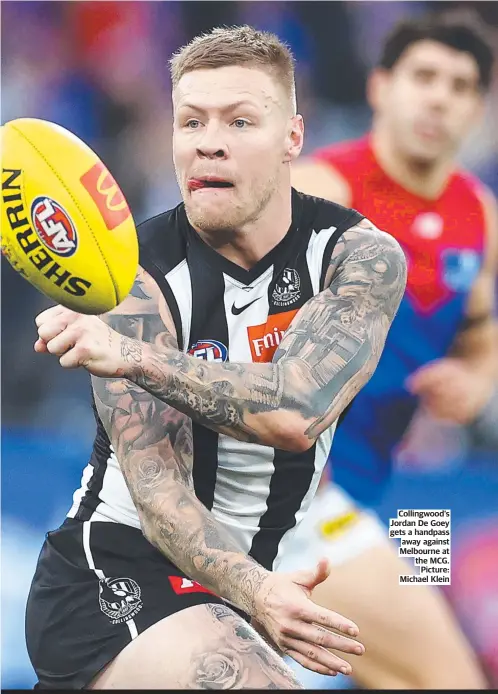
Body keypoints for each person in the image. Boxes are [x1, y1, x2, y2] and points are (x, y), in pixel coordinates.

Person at [26, 26, 407, 690]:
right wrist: (259, 594)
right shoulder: (131, 281)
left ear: (293, 137)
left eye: (239, 120)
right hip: (116, 576)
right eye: (190, 120)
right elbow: (161, 498)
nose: (208, 140)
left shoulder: (359, 256)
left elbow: (297, 409)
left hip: (244, 585)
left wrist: (133, 357)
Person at [285, 9, 497, 690]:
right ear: (380, 87)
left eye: (461, 85)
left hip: (400, 497)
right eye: (424, 77)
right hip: (295, 491)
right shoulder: (323, 191)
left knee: (394, 678)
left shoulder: (480, 215)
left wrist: (476, 379)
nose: (439, 97)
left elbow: (483, 333)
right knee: (451, 680)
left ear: (478, 107)